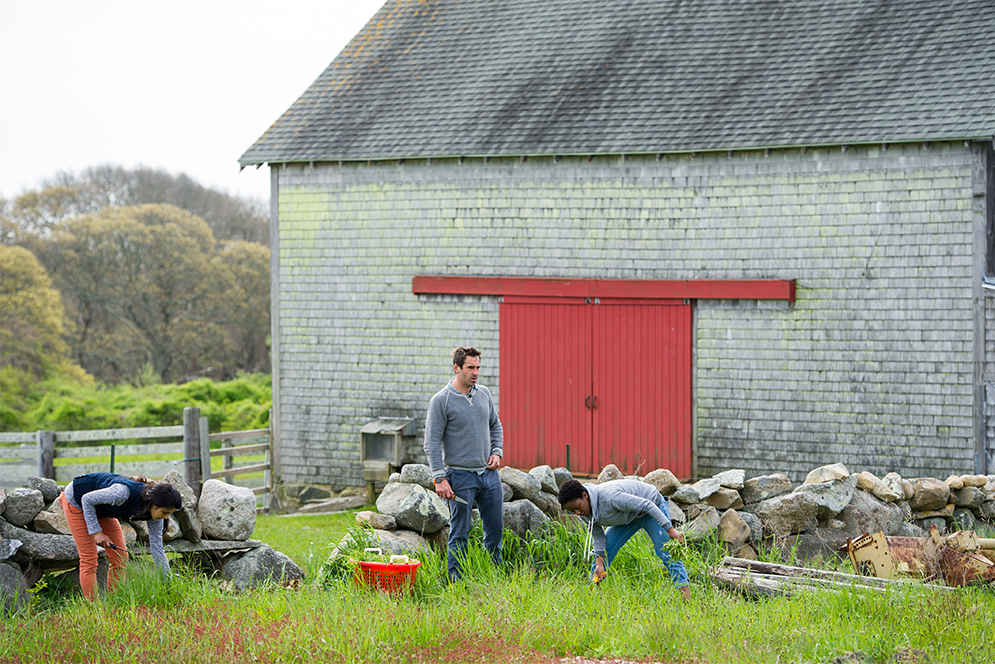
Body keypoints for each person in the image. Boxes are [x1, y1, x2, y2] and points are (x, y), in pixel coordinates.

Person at [424, 346, 504, 582]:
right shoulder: (441, 400)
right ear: (456, 368)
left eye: (478, 367)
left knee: (495, 532)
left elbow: (495, 425)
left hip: (489, 476)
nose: (475, 372)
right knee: (459, 533)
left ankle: (493, 578)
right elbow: (431, 443)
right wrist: (439, 477)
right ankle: (456, 583)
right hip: (459, 477)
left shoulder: (484, 394)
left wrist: (497, 452)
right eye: (470, 367)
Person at [558, 478, 691, 601]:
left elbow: (647, 505)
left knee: (666, 552)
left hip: (651, 507)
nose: (578, 513)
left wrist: (670, 529)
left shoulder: (610, 497)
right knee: (603, 555)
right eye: (573, 511)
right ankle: (593, 600)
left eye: (577, 507)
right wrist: (599, 564)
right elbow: (598, 536)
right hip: (628, 516)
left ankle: (687, 602)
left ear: (585, 496)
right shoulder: (584, 512)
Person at [59, 471, 182, 600]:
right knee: (89, 557)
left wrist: (168, 586)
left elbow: (157, 549)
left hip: (100, 508)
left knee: (120, 557)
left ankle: (115, 603)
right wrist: (96, 532)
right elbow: (87, 499)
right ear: (154, 504)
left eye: (169, 513)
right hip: (77, 500)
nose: (166, 517)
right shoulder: (123, 493)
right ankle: (93, 609)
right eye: (165, 512)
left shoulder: (155, 513)